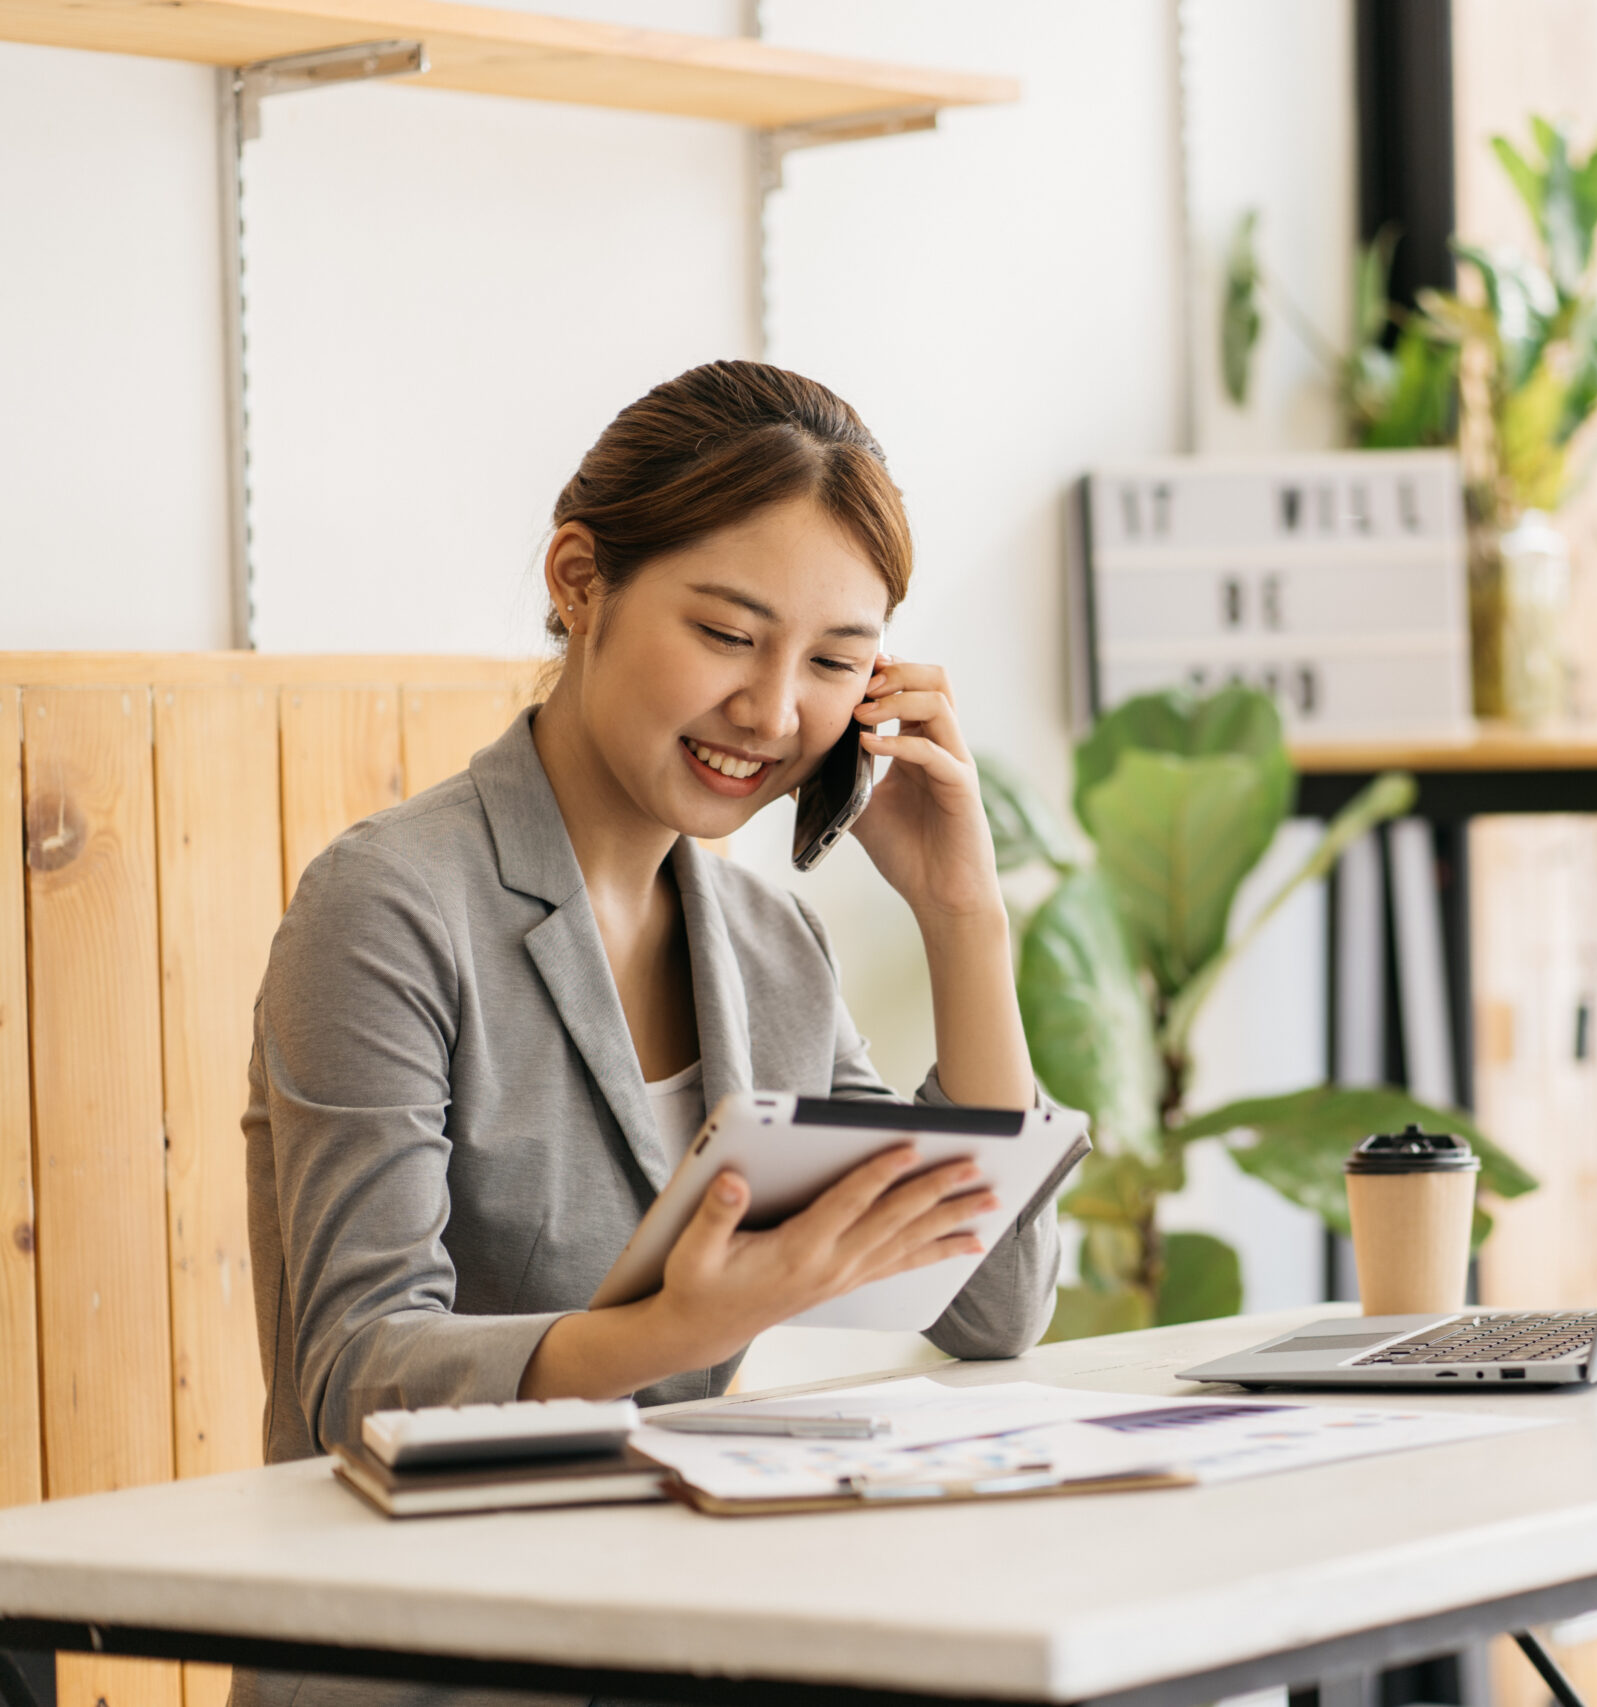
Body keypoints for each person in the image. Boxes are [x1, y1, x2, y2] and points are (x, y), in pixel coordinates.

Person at [237, 362, 1073, 1707]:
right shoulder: (390, 907)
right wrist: (670, 1330)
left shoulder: (770, 947)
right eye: (730, 634)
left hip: (684, 1641)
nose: (774, 710)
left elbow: (992, 1304)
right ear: (580, 580)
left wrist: (963, 916)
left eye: (835, 662)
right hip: (434, 1666)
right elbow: (355, 1376)